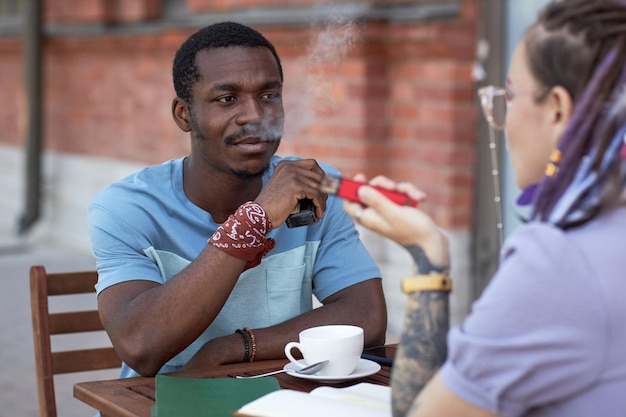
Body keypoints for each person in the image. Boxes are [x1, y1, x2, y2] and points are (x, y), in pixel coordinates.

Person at [343, 0, 626, 415]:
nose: (502, 117)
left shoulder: (559, 259)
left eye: (509, 95)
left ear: (558, 110)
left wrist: (428, 254)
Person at [87, 21, 387, 379]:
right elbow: (141, 346)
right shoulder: (128, 208)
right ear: (185, 114)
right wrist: (252, 222)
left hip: (277, 396)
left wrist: (233, 347)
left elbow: (367, 317)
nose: (255, 117)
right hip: (161, 403)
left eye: (268, 95)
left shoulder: (310, 187)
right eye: (226, 99)